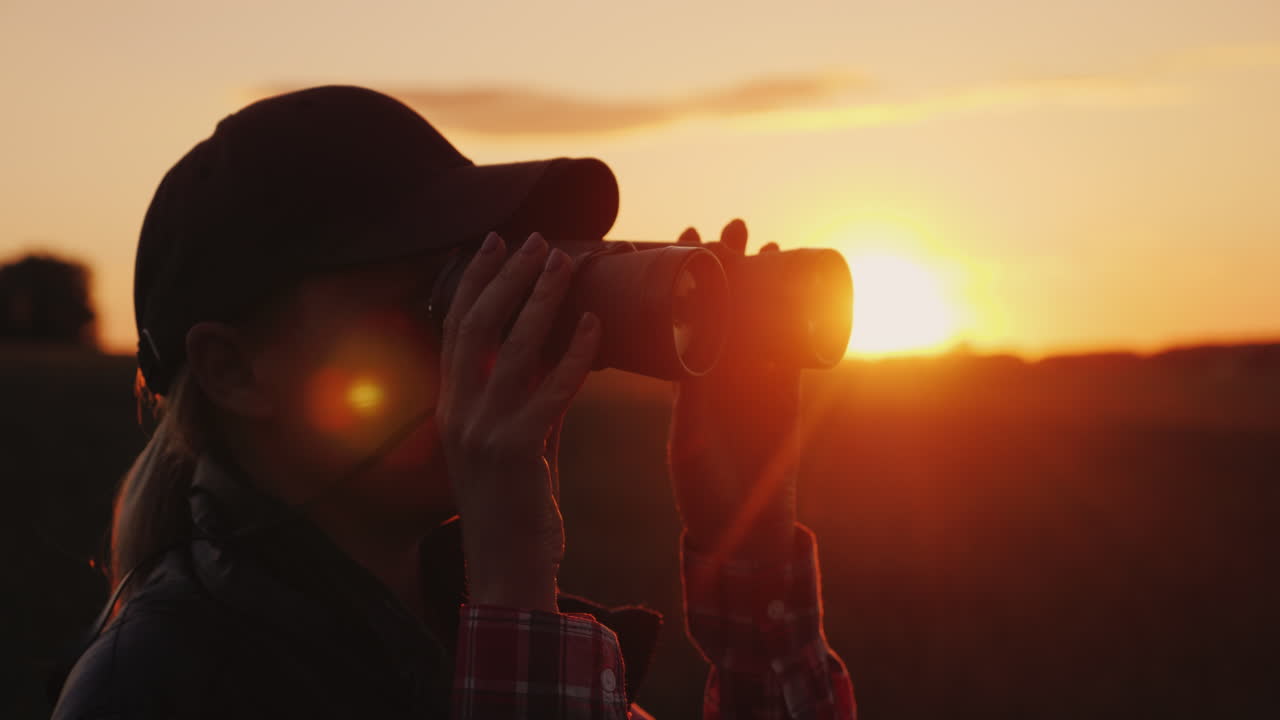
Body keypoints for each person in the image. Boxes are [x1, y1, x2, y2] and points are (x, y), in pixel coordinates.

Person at [51, 86, 855, 719]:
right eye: (436, 297)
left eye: (496, 278)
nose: (490, 333)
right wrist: (511, 584)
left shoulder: (440, 628)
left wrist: (745, 529)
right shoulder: (156, 688)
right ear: (235, 370)